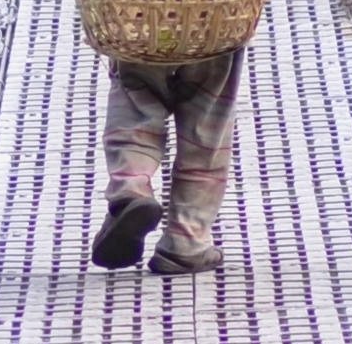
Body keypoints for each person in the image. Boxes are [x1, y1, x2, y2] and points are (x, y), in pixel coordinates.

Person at [92, 47, 244, 276]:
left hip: (142, 25)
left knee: (135, 104)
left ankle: (130, 191)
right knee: (207, 124)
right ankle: (186, 240)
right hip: (215, 29)